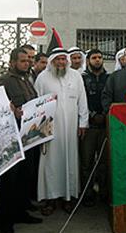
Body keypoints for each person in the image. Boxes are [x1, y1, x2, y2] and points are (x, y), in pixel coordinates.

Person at [34, 48, 89, 215]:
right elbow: (36, 102)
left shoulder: (76, 76)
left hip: (71, 128)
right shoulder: (43, 77)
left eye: (63, 60)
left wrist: (83, 123)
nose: (61, 63)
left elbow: (82, 100)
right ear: (52, 61)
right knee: (50, 164)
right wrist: (39, 127)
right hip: (49, 128)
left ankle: (68, 198)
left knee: (70, 161)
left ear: (67, 61)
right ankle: (50, 199)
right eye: (57, 60)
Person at [0, 46, 42, 233]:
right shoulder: (4, 82)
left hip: (28, 137)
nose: (27, 63)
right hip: (11, 139)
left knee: (25, 177)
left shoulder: (27, 79)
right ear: (13, 62)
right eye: (23, 61)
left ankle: (20, 213)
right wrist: (11, 111)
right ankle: (4, 221)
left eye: (28, 61)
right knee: (9, 182)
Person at [80, 48, 109, 206]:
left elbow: (111, 97)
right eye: (94, 58)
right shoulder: (82, 78)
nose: (97, 60)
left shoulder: (109, 78)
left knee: (104, 162)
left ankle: (104, 193)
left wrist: (104, 115)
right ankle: (87, 194)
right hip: (89, 126)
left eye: (99, 57)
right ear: (88, 60)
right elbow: (81, 99)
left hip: (105, 125)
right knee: (87, 162)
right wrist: (92, 115)